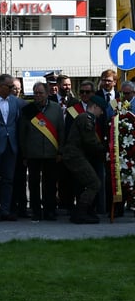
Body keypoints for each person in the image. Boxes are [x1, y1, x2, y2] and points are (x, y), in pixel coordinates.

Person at [19, 82, 63, 222]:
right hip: (33, 153)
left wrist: (60, 151)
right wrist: (24, 154)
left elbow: (61, 131)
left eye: (40, 93)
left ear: (47, 93)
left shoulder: (56, 109)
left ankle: (50, 210)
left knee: (50, 184)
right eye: (35, 93)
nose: (38, 95)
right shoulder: (28, 110)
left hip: (51, 153)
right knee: (33, 184)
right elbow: (22, 134)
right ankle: (36, 211)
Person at [61, 95, 108, 224]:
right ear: (95, 107)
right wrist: (106, 149)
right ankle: (80, 212)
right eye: (101, 109)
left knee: (87, 183)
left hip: (75, 155)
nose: (102, 112)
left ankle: (83, 211)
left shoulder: (86, 118)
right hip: (75, 156)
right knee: (94, 183)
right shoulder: (86, 119)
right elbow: (90, 141)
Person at [0, 74, 23, 220]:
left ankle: (5, 210)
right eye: (10, 87)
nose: (13, 89)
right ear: (0, 86)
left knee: (8, 179)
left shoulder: (15, 101)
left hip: (11, 144)